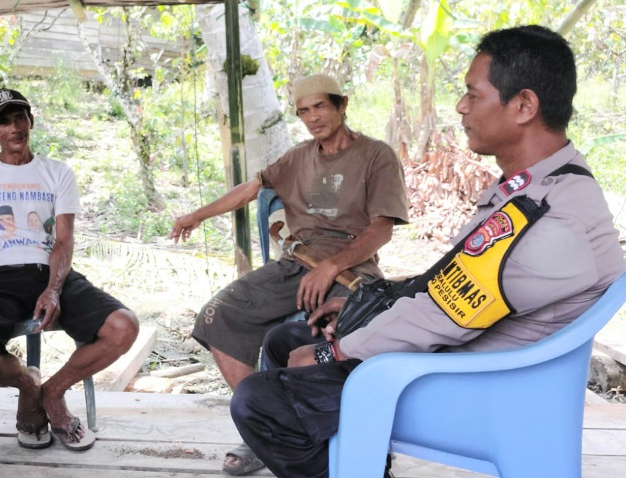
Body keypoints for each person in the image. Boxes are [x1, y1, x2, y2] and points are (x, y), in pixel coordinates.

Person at [231, 25, 626, 478]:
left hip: (476, 386)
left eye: (472, 95)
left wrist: (334, 354)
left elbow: (444, 314)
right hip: (465, 356)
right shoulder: (534, 189)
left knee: (259, 400)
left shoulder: (556, 219)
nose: (460, 106)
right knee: (287, 340)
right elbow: (453, 285)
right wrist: (370, 302)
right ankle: (358, 464)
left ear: (524, 106)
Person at [168, 74, 409, 474]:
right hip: (294, 264)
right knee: (216, 316)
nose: (312, 117)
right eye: (303, 111)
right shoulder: (298, 157)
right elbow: (249, 188)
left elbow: (381, 228)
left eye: (319, 106)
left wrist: (332, 266)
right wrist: (195, 215)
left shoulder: (375, 155)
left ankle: (352, 437)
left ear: (341, 105)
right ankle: (268, 426)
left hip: (350, 270)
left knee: (344, 336)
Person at [0, 87, 139, 451]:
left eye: (19, 118)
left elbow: (64, 239)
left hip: (50, 273)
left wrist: (54, 287)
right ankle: (29, 385)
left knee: (124, 327)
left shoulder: (57, 173)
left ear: (30, 121)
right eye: (3, 122)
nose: (14, 128)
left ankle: (53, 393)